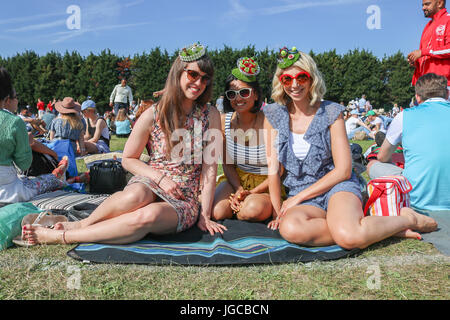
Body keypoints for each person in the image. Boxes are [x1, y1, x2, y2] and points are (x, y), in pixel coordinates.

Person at [21, 43, 227, 246]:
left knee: (146, 216)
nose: (199, 83)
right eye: (193, 75)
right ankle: (84, 224)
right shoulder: (154, 114)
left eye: (205, 78)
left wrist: (205, 215)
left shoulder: (211, 115)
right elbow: (128, 159)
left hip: (185, 195)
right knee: (134, 196)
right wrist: (161, 178)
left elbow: (210, 169)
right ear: (178, 73)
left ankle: (63, 237)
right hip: (152, 180)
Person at [262, 47, 437, 250]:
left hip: (337, 187)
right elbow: (273, 170)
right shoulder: (273, 115)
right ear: (280, 82)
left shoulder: (331, 111)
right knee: (290, 229)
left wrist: (298, 199)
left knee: (349, 238)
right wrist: (277, 212)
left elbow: (343, 170)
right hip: (301, 192)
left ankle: (408, 219)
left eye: (301, 77)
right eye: (287, 79)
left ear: (312, 79)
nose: (294, 85)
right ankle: (370, 227)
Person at [212, 57, 282, 222]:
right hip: (236, 180)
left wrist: (253, 192)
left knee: (250, 210)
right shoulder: (223, 121)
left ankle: (246, 205)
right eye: (232, 94)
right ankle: (235, 204)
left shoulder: (269, 121)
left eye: (244, 92)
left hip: (266, 183)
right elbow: (227, 165)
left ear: (256, 95)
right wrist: (239, 189)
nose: (238, 98)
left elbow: (279, 170)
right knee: (217, 212)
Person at [367, 73, 450, 211]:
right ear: (447, 94)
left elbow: (382, 157)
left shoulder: (404, 116)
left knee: (373, 164)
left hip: (416, 197)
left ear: (417, 97)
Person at [0, 67, 68, 204]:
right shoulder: (14, 122)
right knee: (47, 181)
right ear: (7, 97)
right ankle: (60, 177)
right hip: (7, 190)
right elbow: (24, 164)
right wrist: (26, 143)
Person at [408, 0, 450, 86]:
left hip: (443, 85)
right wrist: (417, 61)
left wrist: (423, 52)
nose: (423, 8)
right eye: (423, 5)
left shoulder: (448, 20)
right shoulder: (428, 26)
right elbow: (427, 54)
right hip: (425, 85)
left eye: (427, 4)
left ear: (439, 3)